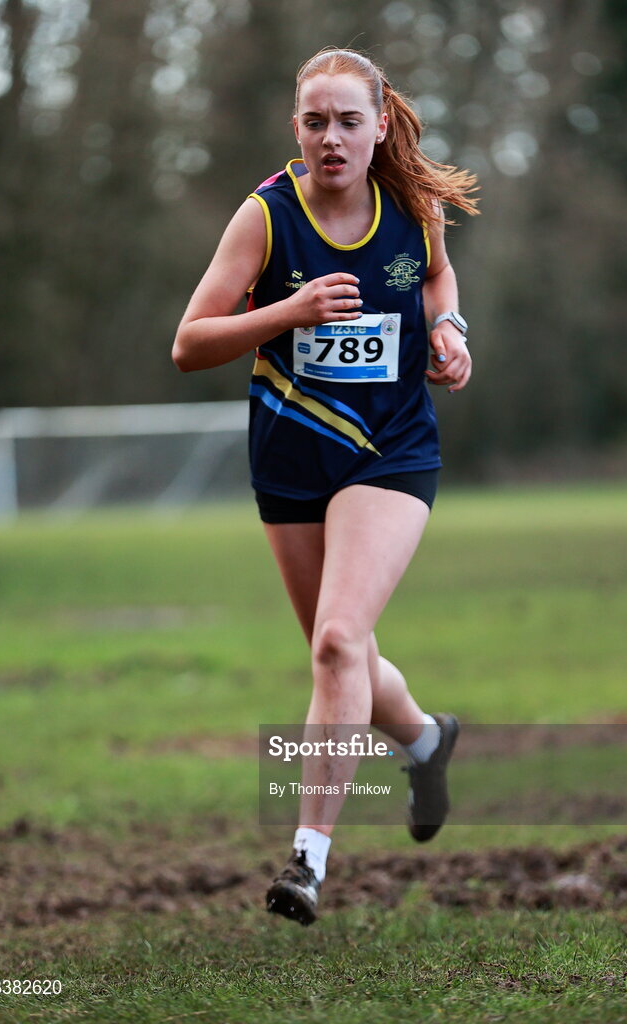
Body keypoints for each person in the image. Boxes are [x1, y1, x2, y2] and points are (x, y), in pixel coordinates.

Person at [172, 47, 479, 926]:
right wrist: (288, 312)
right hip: (291, 460)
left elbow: (434, 279)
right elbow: (191, 341)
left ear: (380, 125)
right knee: (336, 652)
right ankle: (424, 740)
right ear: (295, 130)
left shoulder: (411, 206)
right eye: (316, 122)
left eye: (349, 120)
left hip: (390, 452)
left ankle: (306, 862)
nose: (332, 138)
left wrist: (449, 329)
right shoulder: (265, 216)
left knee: (341, 642)